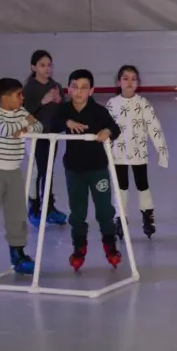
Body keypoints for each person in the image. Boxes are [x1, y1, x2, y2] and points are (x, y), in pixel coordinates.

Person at [50, 69, 123, 271]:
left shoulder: (98, 111)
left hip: (97, 169)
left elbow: (115, 128)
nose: (79, 91)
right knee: (77, 212)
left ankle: (110, 244)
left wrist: (107, 131)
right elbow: (52, 123)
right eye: (75, 87)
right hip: (74, 170)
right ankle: (79, 246)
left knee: (105, 210)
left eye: (84, 88)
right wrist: (67, 122)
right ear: (68, 89)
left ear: (91, 91)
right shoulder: (63, 110)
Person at [0, 78, 43, 277]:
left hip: (14, 171)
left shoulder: (21, 112)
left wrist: (25, 127)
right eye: (18, 95)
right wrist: (25, 123)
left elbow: (38, 126)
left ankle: (18, 253)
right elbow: (4, 130)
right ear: (5, 97)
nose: (22, 98)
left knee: (17, 213)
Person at [106, 65, 168, 240]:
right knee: (121, 187)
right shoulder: (112, 104)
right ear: (118, 82)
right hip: (118, 155)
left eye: (133, 79)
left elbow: (154, 128)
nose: (129, 82)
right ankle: (120, 217)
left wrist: (162, 151)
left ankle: (148, 216)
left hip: (139, 153)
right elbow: (105, 128)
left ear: (138, 83)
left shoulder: (143, 103)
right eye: (125, 78)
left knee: (142, 185)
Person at [22, 50, 67, 227]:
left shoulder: (55, 86)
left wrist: (60, 102)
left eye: (49, 65)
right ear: (33, 67)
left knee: (48, 171)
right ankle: (34, 208)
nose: (47, 68)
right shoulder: (29, 89)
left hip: (51, 135)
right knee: (38, 172)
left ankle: (48, 207)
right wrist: (43, 101)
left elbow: (63, 110)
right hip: (34, 136)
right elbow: (23, 113)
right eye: (42, 65)